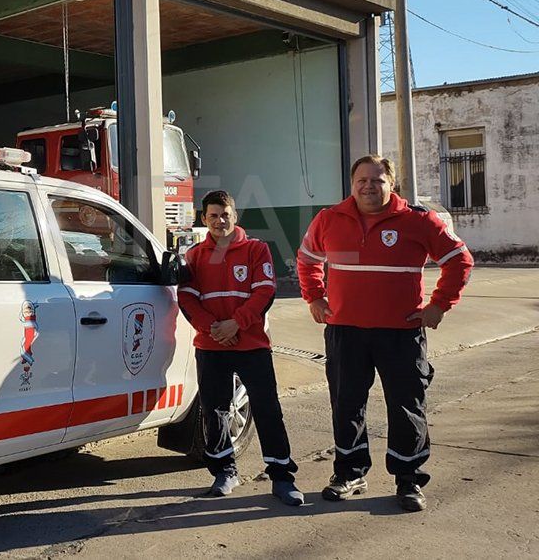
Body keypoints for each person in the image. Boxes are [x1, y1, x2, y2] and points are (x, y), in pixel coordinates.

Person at [298, 155, 473, 512]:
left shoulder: (418, 220)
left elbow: (459, 259)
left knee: (407, 406)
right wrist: (315, 296)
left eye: (377, 180)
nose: (368, 186)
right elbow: (307, 259)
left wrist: (439, 305)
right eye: (362, 180)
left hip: (401, 333)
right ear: (352, 184)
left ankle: (409, 479)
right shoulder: (330, 219)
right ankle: (350, 472)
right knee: (346, 404)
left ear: (391, 184)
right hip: (346, 331)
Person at [178, 190, 303, 506]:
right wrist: (214, 329)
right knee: (215, 411)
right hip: (211, 346)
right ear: (204, 219)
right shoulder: (194, 256)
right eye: (213, 215)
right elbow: (187, 298)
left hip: (251, 344)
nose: (220, 221)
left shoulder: (256, 249)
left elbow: (264, 292)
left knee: (267, 410)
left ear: (235, 215)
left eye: (226, 214)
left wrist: (235, 324)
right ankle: (224, 472)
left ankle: (282, 477)